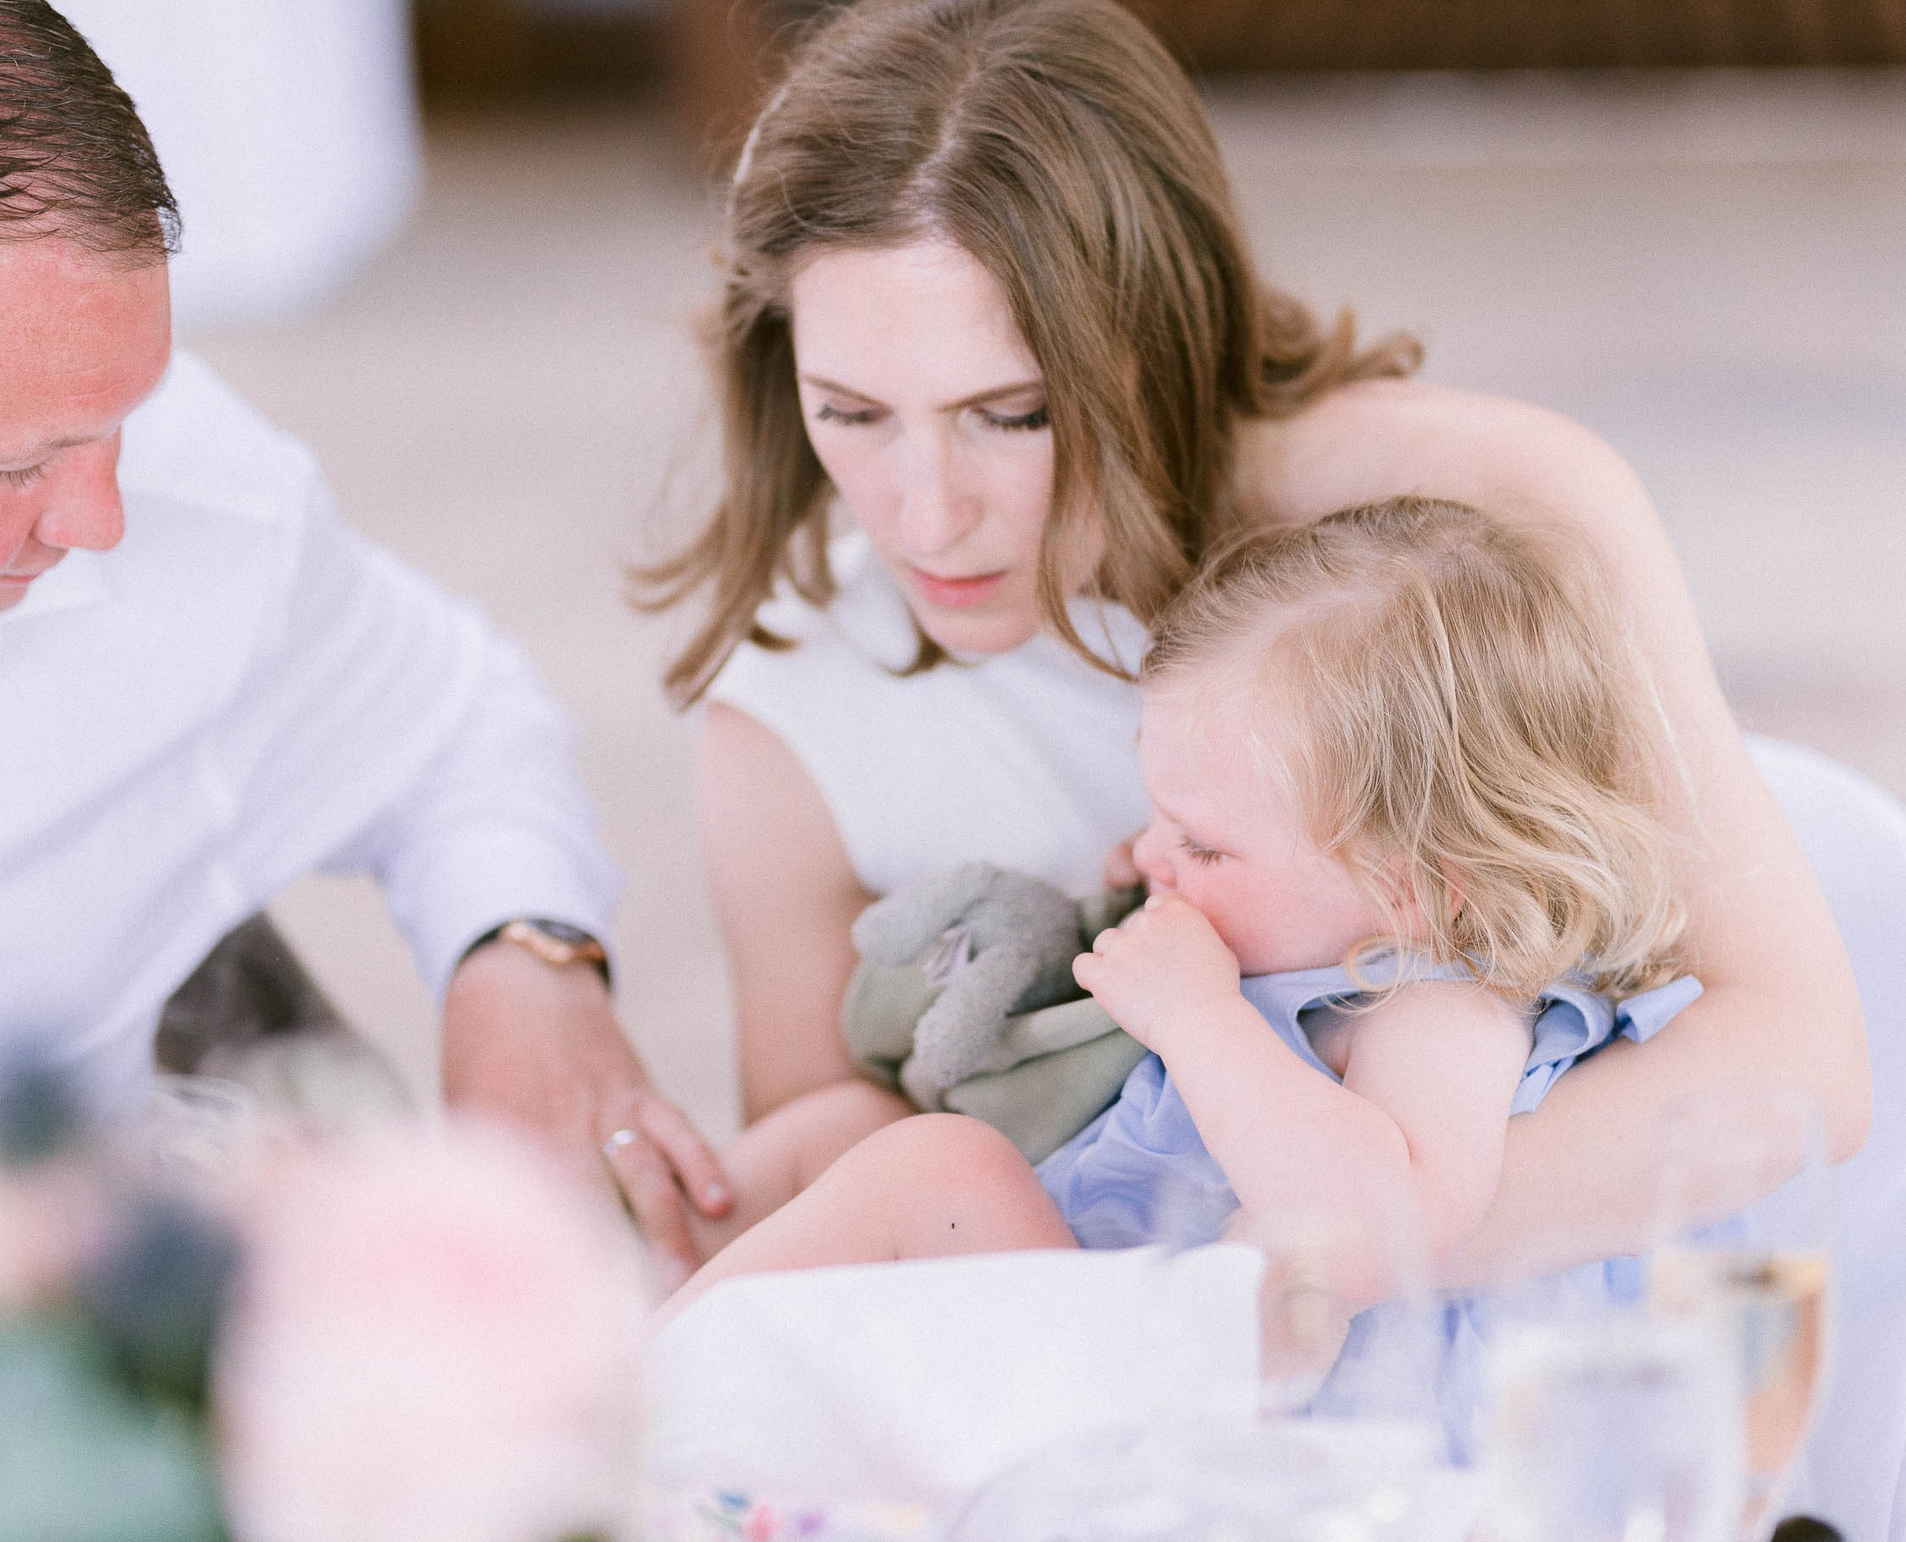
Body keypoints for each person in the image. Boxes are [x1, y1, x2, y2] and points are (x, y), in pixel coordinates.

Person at [636, 0, 1869, 1284]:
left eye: (1015, 414)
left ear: (1152, 330)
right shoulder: (792, 717)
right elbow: (849, 1232)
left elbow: (1799, 1066)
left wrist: (1261, 1284)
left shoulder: (1479, 520)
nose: (925, 517)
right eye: (851, 412)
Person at [0, 0, 726, 1333]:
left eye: (120, 419)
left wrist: (524, 958)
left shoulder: (204, 517)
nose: (103, 517)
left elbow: (458, 724)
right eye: (13, 467)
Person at [663, 498, 1702, 1331]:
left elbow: (1386, 1231)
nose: (1151, 854)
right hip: (1108, 1310)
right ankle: (628, 1273)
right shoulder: (1314, 932)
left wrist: (1199, 1020)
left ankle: (636, 1425)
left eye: (1201, 843)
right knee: (844, 1129)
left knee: (937, 1169)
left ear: (1424, 884)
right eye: (1154, 812)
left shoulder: (1438, 1007)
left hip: (1216, 1406)